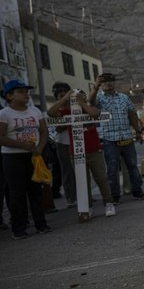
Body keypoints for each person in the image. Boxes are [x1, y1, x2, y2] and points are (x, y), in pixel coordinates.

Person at [47, 88, 116, 217]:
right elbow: (51, 113)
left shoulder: (89, 109)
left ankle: (108, 203)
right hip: (77, 152)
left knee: (101, 178)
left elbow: (96, 114)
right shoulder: (68, 112)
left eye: (81, 95)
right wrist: (65, 99)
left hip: (94, 151)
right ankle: (87, 207)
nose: (78, 98)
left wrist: (82, 103)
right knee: (82, 181)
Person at [0, 80, 51, 239]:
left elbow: (44, 132)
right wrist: (23, 145)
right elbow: (1, 137)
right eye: (20, 91)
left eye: (26, 91)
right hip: (12, 157)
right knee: (17, 193)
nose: (25, 94)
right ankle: (19, 229)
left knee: (35, 190)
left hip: (34, 155)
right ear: (9, 96)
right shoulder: (5, 113)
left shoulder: (34, 111)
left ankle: (41, 224)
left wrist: (39, 148)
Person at [89, 73, 144, 203]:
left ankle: (137, 191)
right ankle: (114, 196)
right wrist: (96, 87)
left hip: (126, 136)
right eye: (104, 82)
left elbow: (132, 114)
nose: (108, 84)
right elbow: (90, 103)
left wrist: (138, 131)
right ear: (100, 84)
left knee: (132, 165)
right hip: (109, 139)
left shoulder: (124, 98)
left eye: (111, 81)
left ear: (115, 83)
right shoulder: (99, 98)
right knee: (112, 168)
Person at [50, 82, 77, 208]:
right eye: (60, 96)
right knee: (67, 172)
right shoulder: (55, 109)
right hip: (62, 142)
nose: (63, 98)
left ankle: (85, 195)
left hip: (77, 141)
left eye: (65, 94)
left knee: (81, 169)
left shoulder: (76, 106)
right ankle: (70, 198)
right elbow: (58, 128)